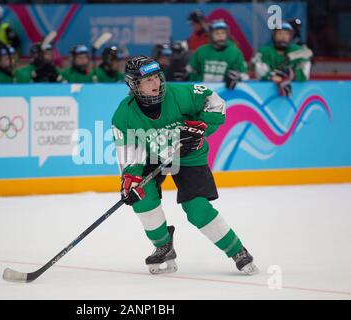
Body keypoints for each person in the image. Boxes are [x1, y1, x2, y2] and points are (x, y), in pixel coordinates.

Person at [112, 56, 258, 275]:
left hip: (190, 156)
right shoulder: (124, 115)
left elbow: (215, 103)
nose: (156, 84)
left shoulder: (181, 94)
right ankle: (164, 246)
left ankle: (237, 250)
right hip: (152, 156)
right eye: (148, 80)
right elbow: (129, 151)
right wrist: (131, 178)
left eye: (156, 77)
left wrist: (202, 127)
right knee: (141, 195)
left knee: (197, 210)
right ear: (134, 85)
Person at [252, 21, 312, 97]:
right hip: (266, 93)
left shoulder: (299, 51)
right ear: (274, 35)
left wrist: (291, 75)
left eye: (286, 34)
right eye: (280, 33)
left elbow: (305, 74)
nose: (283, 37)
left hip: (296, 95)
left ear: (291, 37)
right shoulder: (264, 52)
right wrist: (272, 76)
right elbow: (260, 72)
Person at [187, 20, 248, 90]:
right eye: (217, 33)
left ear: (227, 35)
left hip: (225, 92)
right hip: (202, 92)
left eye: (223, 33)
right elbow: (190, 71)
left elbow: (244, 75)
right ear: (211, 35)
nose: (220, 36)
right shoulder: (201, 51)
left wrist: (238, 77)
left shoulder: (235, 52)